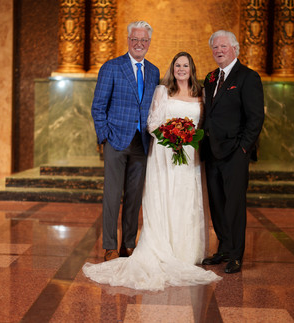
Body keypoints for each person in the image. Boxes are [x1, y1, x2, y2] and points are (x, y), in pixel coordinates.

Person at [83, 52, 221, 291]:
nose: (181, 69)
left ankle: (183, 250)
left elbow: (202, 124)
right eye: (177, 64)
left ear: (192, 68)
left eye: (185, 65)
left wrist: (187, 139)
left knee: (185, 201)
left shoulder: (201, 94)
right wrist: (171, 137)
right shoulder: (162, 90)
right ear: (172, 67)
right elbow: (153, 123)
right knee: (153, 198)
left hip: (189, 155)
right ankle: (113, 246)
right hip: (163, 153)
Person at [91, 21, 160, 262]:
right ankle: (109, 246)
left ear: (149, 43)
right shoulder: (111, 67)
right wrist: (105, 136)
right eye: (135, 39)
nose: (139, 44)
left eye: (144, 40)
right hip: (116, 140)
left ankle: (128, 244)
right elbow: (98, 106)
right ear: (128, 40)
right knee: (112, 195)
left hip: (142, 143)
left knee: (134, 196)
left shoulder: (153, 71)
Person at [201, 30, 264, 273]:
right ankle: (224, 248)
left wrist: (244, 148)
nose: (218, 50)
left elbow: (256, 117)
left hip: (235, 153)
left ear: (235, 49)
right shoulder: (210, 77)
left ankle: (236, 255)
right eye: (215, 47)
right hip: (212, 151)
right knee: (217, 203)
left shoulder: (248, 77)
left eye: (223, 46)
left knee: (234, 205)